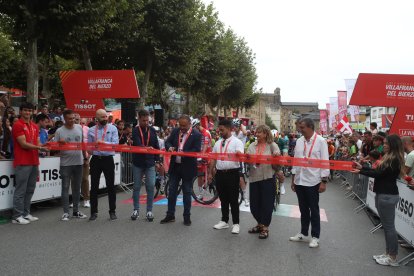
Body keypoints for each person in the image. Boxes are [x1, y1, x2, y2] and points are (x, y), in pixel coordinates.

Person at [351, 134, 404, 266]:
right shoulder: (389, 158)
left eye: (386, 143)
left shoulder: (394, 159)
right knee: (387, 227)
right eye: (384, 143)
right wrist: (362, 167)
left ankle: (392, 257)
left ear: (393, 145)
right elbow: (376, 171)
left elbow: (379, 174)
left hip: (388, 195)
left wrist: (361, 171)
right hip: (383, 194)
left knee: (389, 227)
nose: (384, 145)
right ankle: (388, 253)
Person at [289, 118, 329, 248]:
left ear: (311, 127)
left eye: (302, 127)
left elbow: (325, 161)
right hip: (300, 179)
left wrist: (323, 181)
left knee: (314, 209)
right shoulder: (299, 141)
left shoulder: (321, 141)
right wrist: (293, 178)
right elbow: (296, 160)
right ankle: (303, 232)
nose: (300, 130)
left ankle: (315, 236)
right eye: (300, 127)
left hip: (313, 181)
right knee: (303, 209)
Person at [160, 115, 201, 226]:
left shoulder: (197, 135)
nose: (181, 128)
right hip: (175, 166)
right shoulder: (175, 131)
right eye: (180, 125)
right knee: (172, 191)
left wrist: (184, 153)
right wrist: (170, 147)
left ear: (189, 124)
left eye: (184, 126)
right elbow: (167, 142)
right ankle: (170, 215)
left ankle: (186, 217)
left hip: (188, 167)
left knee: (187, 192)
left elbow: (197, 150)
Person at [11, 102, 48, 224]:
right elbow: (23, 144)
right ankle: (17, 216)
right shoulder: (17, 125)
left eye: (30, 111)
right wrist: (39, 148)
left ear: (33, 112)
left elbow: (38, 143)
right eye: (25, 110)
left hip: (34, 161)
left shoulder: (34, 126)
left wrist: (49, 145)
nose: (28, 112)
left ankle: (26, 213)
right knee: (20, 190)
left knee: (30, 189)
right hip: (22, 161)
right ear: (20, 111)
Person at [208, 119, 244, 234]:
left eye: (222, 130)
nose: (220, 132)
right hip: (220, 174)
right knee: (223, 199)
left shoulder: (237, 142)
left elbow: (240, 154)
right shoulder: (218, 143)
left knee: (233, 199)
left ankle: (236, 223)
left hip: (232, 173)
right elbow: (213, 158)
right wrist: (210, 173)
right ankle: (224, 220)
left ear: (229, 128)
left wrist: (239, 154)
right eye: (219, 130)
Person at [247, 125, 283, 239]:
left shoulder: (272, 145)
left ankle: (264, 228)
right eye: (256, 132)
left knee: (267, 205)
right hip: (254, 178)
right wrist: (247, 158)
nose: (257, 134)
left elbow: (278, 156)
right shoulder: (252, 145)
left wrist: (276, 155)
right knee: (254, 206)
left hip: (268, 178)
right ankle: (260, 224)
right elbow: (247, 159)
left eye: (259, 133)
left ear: (266, 134)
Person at [55, 109, 88, 221]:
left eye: (73, 118)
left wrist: (85, 157)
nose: (72, 120)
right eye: (69, 118)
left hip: (78, 162)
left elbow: (83, 144)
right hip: (65, 163)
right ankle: (65, 212)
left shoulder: (79, 127)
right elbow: (54, 148)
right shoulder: (59, 131)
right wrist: (60, 144)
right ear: (64, 119)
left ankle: (76, 211)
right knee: (65, 187)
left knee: (76, 188)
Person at [87, 109, 119, 221]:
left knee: (111, 186)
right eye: (102, 117)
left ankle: (112, 211)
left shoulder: (113, 128)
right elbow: (89, 148)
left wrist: (103, 143)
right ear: (97, 118)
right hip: (95, 159)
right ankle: (93, 212)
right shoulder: (91, 130)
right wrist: (92, 148)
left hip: (108, 159)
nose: (105, 119)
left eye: (106, 116)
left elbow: (116, 144)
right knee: (94, 187)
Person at [131, 109, 161, 222]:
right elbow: (138, 144)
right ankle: (136, 210)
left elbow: (156, 146)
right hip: (138, 162)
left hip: (150, 163)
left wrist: (158, 161)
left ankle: (149, 211)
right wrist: (147, 148)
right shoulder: (135, 131)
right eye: (143, 120)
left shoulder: (152, 130)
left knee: (150, 185)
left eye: (147, 120)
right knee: (137, 187)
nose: (146, 122)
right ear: (139, 119)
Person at [191, 118, 213, 200]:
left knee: (211, 172)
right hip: (201, 155)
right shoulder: (197, 133)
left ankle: (212, 184)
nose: (193, 130)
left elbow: (205, 145)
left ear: (197, 126)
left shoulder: (206, 133)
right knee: (199, 174)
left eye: (194, 128)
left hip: (208, 155)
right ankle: (201, 193)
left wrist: (201, 156)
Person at [79, 117, 90, 208]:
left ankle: (86, 199)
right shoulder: (73, 129)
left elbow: (91, 144)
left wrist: (87, 157)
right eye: (79, 122)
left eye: (83, 123)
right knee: (74, 180)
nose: (81, 124)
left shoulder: (88, 130)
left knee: (85, 179)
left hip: (85, 157)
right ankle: (75, 199)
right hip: (74, 158)